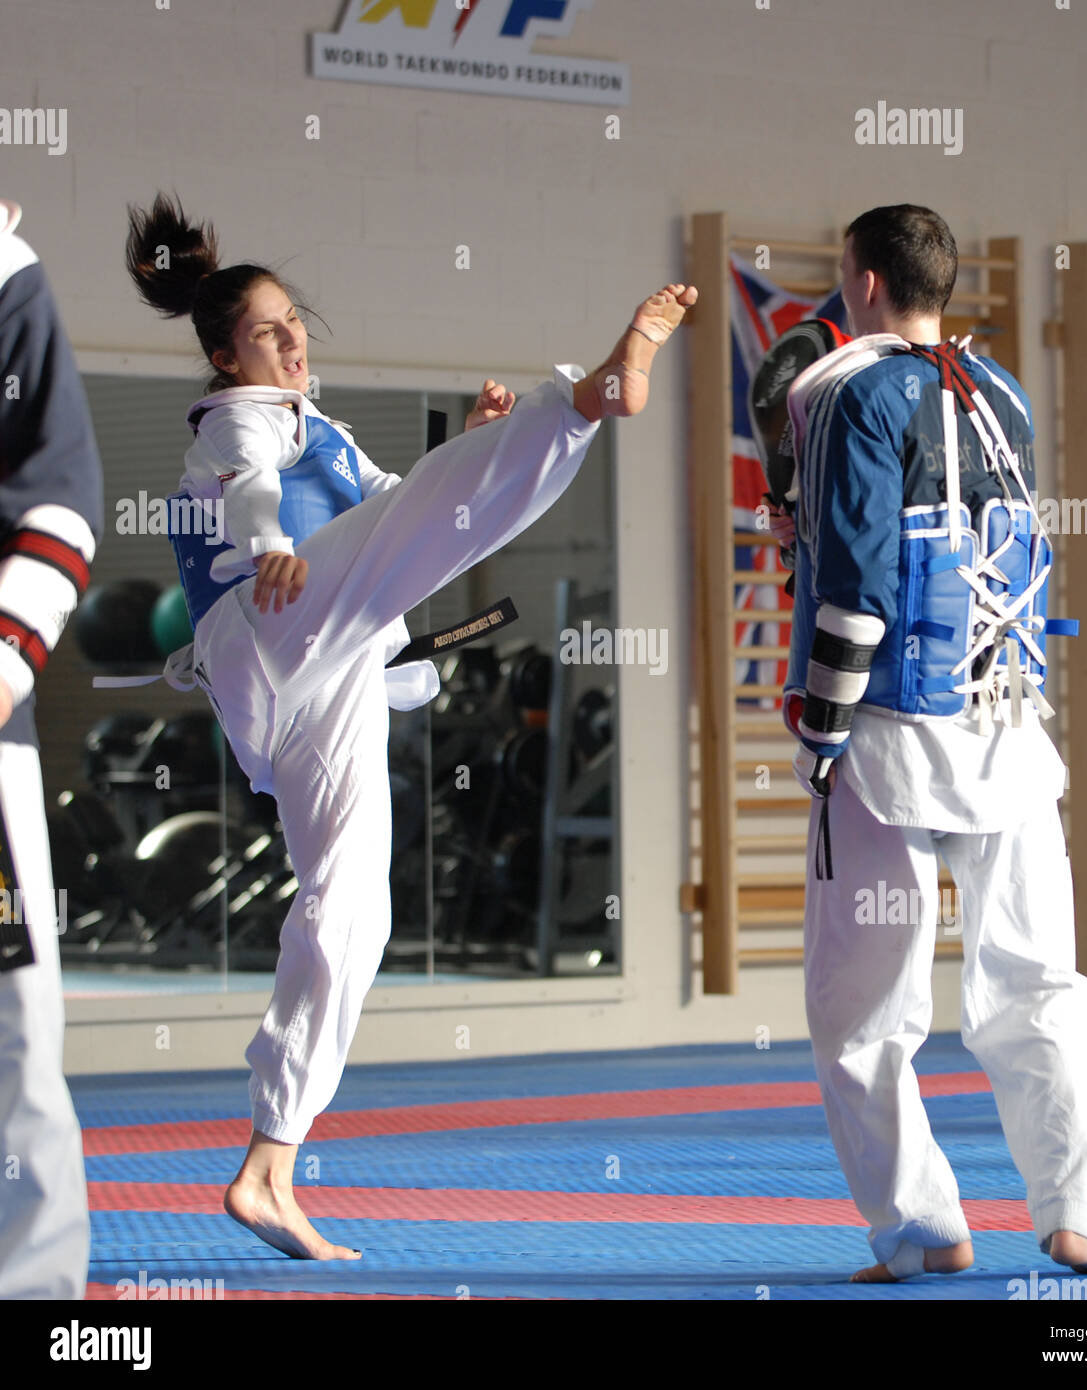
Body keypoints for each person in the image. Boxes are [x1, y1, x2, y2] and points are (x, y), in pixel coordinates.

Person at [125, 191, 696, 1260]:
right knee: (413, 524)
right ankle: (587, 398)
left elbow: (407, 508)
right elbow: (244, 482)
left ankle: (269, 1159)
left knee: (354, 909)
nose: (292, 342)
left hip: (323, 676)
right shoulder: (237, 420)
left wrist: (472, 454)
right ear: (222, 351)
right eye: (268, 331)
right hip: (270, 624)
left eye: (297, 323)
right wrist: (266, 548)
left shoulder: (325, 431)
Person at [776, 204, 1087, 1282]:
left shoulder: (847, 391)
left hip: (887, 739)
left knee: (861, 1000)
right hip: (1010, 728)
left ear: (865, 282)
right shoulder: (1003, 390)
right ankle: (1070, 1211)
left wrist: (820, 728)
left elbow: (861, 583)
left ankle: (926, 1223)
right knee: (1038, 980)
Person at [0, 198, 102, 1298]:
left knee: (9, 1028)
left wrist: (5, 654)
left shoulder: (2, 275)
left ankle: (31, 1298)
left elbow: (61, 497)